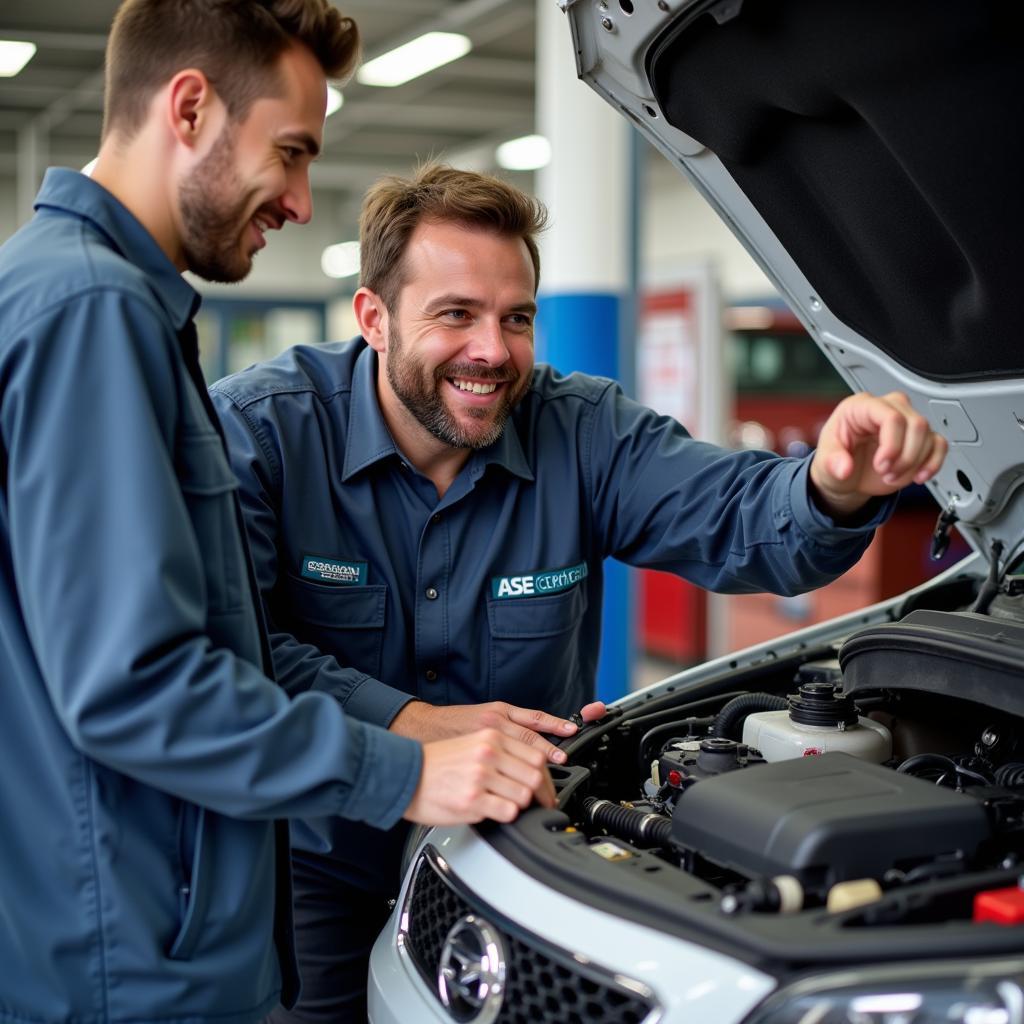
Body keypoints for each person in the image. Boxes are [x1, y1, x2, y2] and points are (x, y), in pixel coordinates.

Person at [209, 163, 948, 1021]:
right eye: (455, 314)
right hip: (317, 854)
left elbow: (738, 517)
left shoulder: (582, 429)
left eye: (516, 318)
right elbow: (233, 651)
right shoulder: (262, 434)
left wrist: (831, 485)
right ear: (374, 317)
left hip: (514, 853)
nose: (492, 351)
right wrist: (410, 724)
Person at [0, 12, 566, 1024]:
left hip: (121, 925)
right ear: (188, 107)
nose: (303, 202)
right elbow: (135, 683)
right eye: (291, 153)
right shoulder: (94, 310)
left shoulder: (86, 295)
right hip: (126, 959)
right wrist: (403, 770)